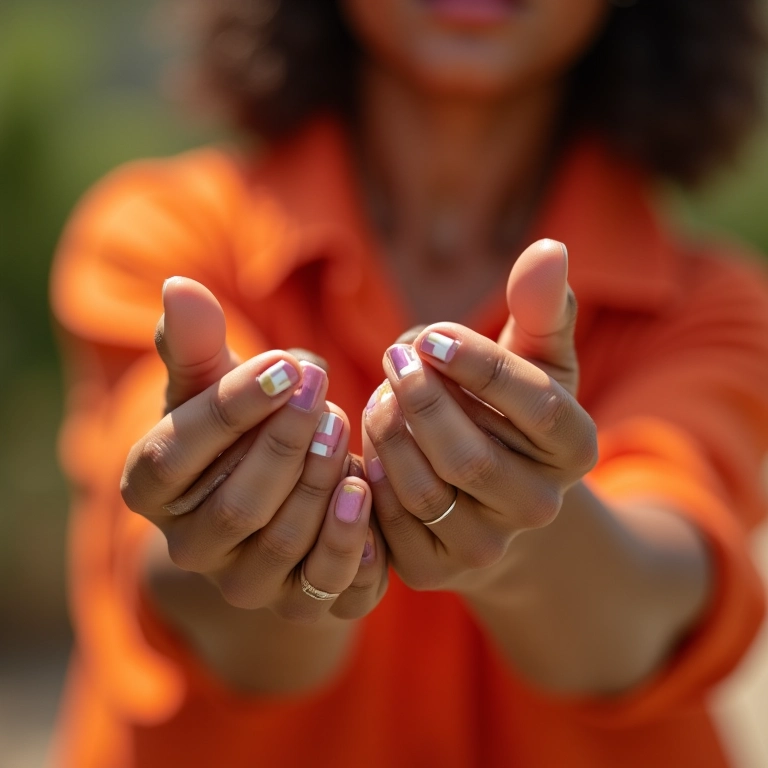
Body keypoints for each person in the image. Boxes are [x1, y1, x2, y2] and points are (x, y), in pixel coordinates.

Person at [50, 0, 768, 766]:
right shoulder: (161, 240)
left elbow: (648, 610)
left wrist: (523, 531)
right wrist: (243, 546)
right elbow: (172, 583)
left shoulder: (715, 310)